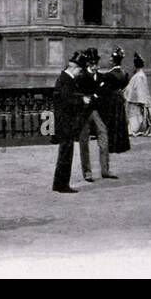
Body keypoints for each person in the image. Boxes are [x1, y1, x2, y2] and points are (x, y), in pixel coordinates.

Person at [52, 51, 91, 193]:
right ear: (74, 68)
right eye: (80, 70)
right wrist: (82, 100)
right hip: (65, 122)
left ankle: (59, 184)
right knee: (66, 153)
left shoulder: (65, 78)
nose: (80, 73)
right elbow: (67, 99)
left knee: (65, 152)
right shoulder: (66, 80)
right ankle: (62, 185)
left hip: (65, 121)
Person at [76, 48, 116, 181]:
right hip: (84, 112)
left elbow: (105, 94)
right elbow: (78, 94)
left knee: (103, 138)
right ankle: (87, 172)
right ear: (87, 63)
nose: (94, 66)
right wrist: (93, 96)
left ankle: (105, 170)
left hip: (98, 111)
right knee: (84, 142)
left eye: (95, 63)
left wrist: (96, 96)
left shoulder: (101, 77)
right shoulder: (81, 77)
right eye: (91, 63)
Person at [96, 47, 131, 158]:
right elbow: (124, 86)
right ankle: (122, 145)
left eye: (111, 60)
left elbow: (103, 88)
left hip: (110, 100)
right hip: (120, 99)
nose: (109, 61)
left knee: (111, 121)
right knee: (120, 121)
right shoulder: (125, 73)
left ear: (113, 61)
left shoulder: (109, 75)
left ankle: (112, 146)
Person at [125, 53, 151, 136]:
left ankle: (139, 130)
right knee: (137, 115)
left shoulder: (139, 76)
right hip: (136, 99)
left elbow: (139, 90)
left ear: (135, 66)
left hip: (137, 100)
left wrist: (141, 101)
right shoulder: (139, 75)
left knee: (138, 116)